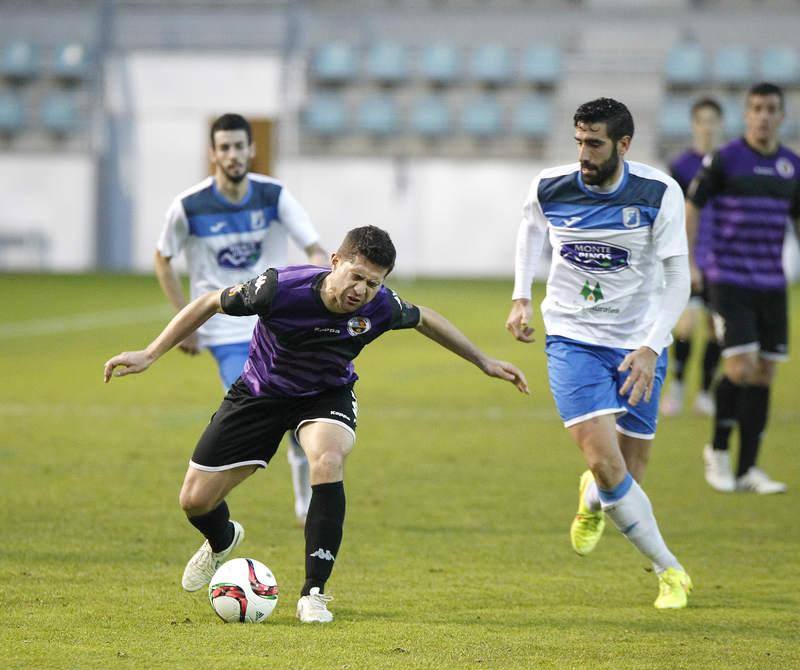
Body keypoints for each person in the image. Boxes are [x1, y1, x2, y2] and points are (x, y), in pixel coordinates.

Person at [105, 225, 528, 623]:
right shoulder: (278, 289)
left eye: (373, 283)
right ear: (335, 261)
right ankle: (222, 539)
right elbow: (209, 302)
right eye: (356, 276)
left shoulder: (381, 307)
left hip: (326, 394)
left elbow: (426, 318)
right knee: (194, 501)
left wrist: (484, 361)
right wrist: (150, 353)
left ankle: (313, 593)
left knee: (327, 459)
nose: (361, 291)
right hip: (261, 393)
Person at [505, 98, 693, 609]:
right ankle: (670, 571)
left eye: (595, 143)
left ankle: (591, 496)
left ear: (623, 145)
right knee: (609, 466)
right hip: (573, 338)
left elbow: (679, 278)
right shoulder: (551, 185)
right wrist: (521, 296)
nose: (584, 154)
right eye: (579, 142)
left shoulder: (658, 192)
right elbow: (531, 228)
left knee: (626, 475)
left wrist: (651, 347)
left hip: (640, 342)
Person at [155, 113, 329, 524]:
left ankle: (304, 494)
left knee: (298, 412)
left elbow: (316, 249)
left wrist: (315, 292)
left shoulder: (273, 195)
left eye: (239, 146)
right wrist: (185, 321)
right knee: (262, 406)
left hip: (277, 324)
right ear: (213, 153)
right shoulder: (188, 206)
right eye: (225, 147)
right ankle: (213, 497)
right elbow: (162, 258)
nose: (233, 154)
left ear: (252, 149)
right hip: (224, 330)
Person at [688, 83, 800, 494]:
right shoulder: (726, 159)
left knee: (764, 374)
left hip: (772, 282)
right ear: (747, 114)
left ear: (781, 116)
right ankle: (717, 451)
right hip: (728, 278)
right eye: (756, 108)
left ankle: (749, 469)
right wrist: (691, 261)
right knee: (739, 367)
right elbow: (692, 206)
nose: (763, 116)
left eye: (771, 109)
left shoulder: (792, 166)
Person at [660, 97, 724, 417]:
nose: (708, 127)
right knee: (686, 325)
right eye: (703, 120)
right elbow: (676, 214)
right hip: (690, 257)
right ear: (694, 124)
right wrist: (685, 260)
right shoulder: (681, 165)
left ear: (720, 124)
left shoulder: (727, 164)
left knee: (716, 329)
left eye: (713, 121)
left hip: (722, 260)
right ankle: (677, 388)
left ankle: (704, 393)